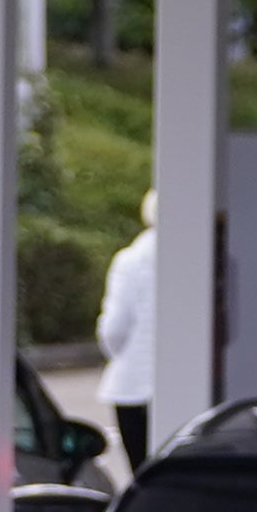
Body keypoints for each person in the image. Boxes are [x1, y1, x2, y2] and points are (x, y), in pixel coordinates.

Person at [96, 190, 162, 471]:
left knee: (142, 474)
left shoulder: (130, 261)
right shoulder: (200, 255)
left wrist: (119, 355)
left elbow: (113, 328)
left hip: (133, 385)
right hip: (181, 383)